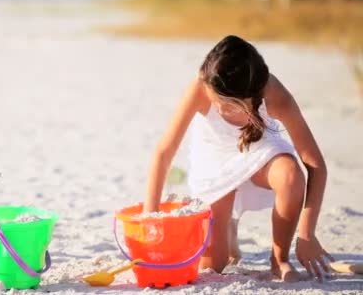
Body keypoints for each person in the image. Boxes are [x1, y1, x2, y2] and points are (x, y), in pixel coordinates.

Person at [143, 35, 333, 282]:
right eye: (216, 100)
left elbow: (315, 164)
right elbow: (164, 152)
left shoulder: (274, 95)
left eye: (230, 104)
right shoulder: (200, 87)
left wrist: (307, 234)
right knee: (214, 265)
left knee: (290, 175)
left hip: (260, 152)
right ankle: (228, 227)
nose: (221, 109)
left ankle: (279, 259)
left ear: (253, 94)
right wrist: (151, 217)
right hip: (214, 160)